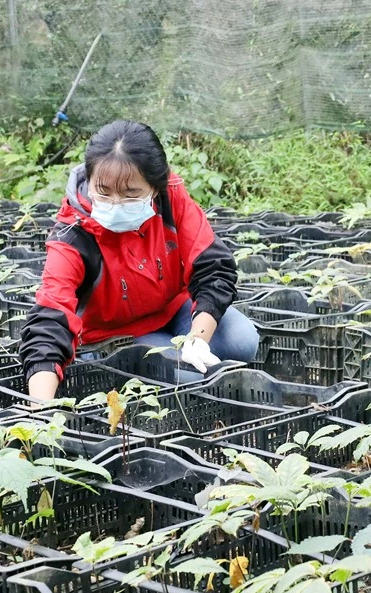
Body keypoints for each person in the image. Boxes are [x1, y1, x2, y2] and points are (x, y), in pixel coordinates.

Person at [19, 120, 259, 399]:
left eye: (131, 193)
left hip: (173, 308)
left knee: (242, 341)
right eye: (104, 192)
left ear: (155, 188)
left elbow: (212, 266)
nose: (116, 203)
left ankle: (184, 351)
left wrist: (198, 339)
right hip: (116, 336)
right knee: (186, 379)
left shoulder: (171, 199)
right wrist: (42, 411)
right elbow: (50, 318)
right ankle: (101, 364)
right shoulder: (73, 235)